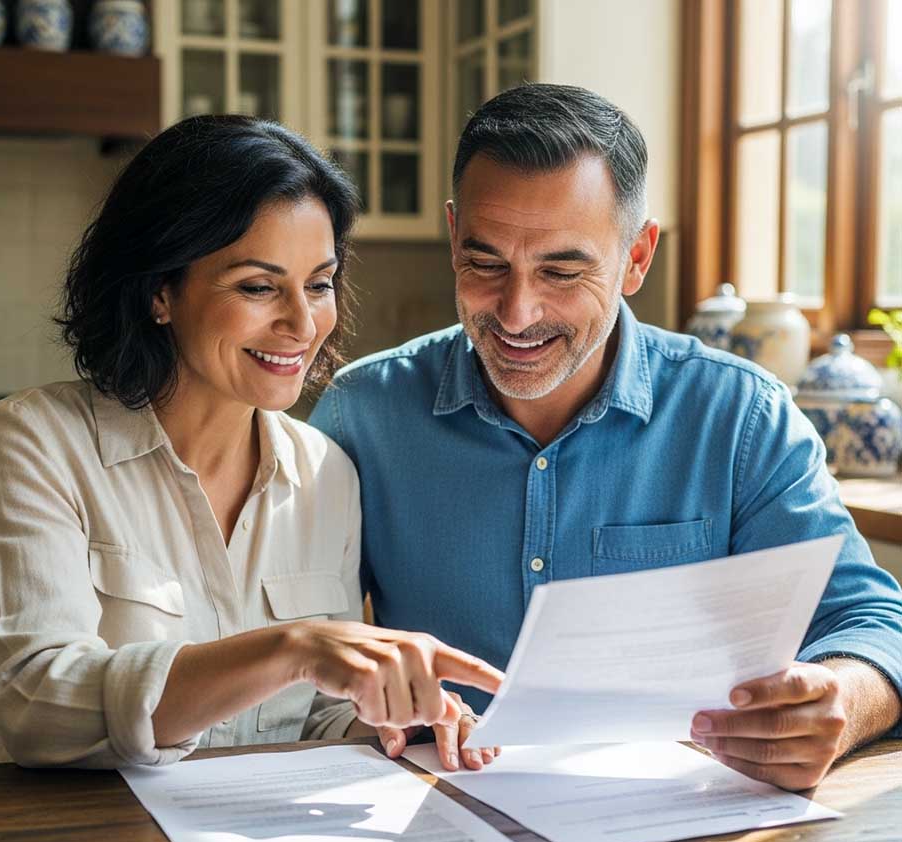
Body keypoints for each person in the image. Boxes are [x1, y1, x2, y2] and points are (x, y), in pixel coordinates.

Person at [310, 83, 902, 791]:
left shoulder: (740, 417)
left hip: (681, 836)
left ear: (637, 257)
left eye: (561, 270)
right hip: (429, 822)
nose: (517, 311)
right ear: (452, 236)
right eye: (485, 262)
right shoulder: (362, 414)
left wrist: (842, 698)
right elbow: (301, 648)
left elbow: (870, 620)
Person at [0, 116, 503, 770]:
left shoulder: (327, 473)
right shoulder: (36, 442)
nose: (300, 322)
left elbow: (319, 714)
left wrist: (398, 718)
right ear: (160, 292)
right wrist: (289, 647)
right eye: (258, 287)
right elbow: (35, 705)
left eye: (318, 283)